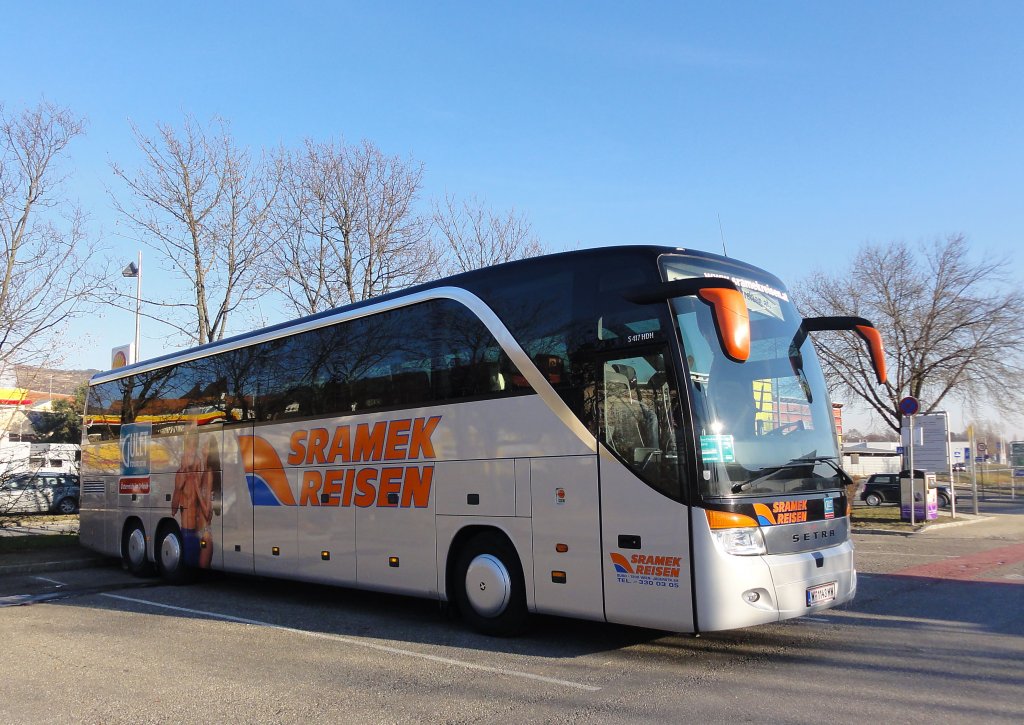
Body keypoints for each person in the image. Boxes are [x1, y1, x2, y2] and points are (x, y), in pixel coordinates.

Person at [171, 424, 217, 568]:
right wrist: (180, 486)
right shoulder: (181, 475)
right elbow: (173, 509)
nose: (191, 456)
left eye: (193, 451)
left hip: (201, 532)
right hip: (188, 530)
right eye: (188, 453)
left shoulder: (204, 475)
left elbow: (207, 512)